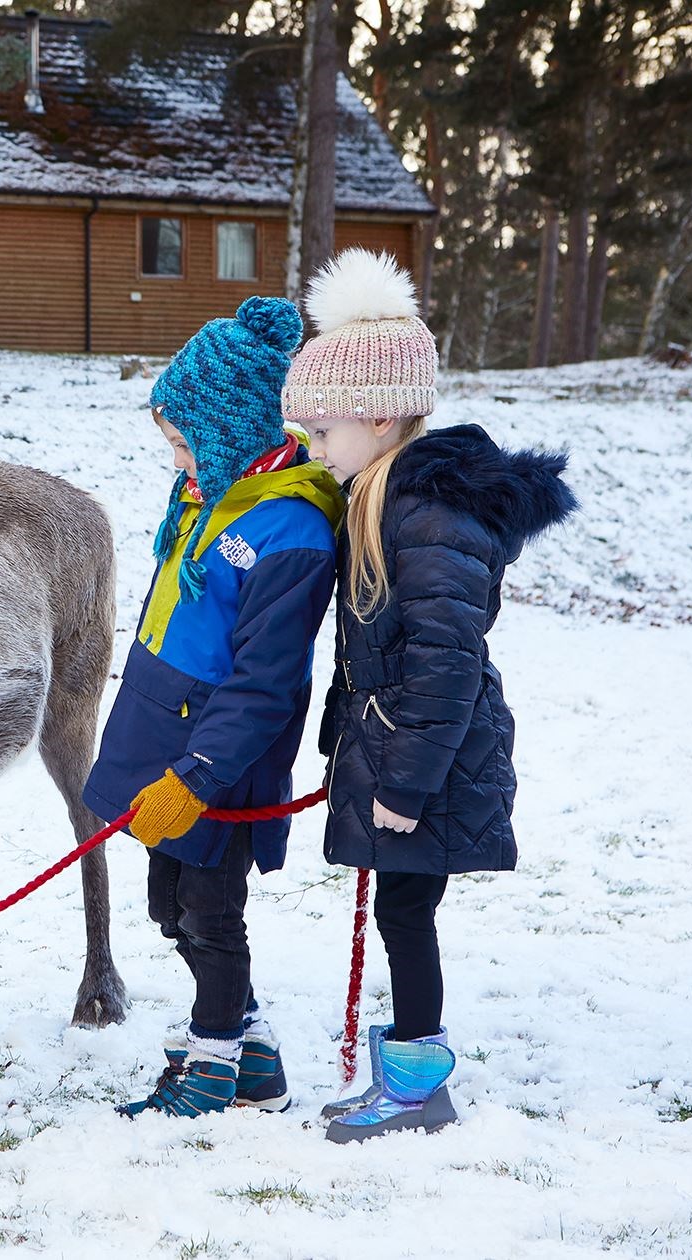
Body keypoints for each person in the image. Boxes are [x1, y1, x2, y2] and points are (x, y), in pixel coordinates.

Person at [284, 248, 577, 1141]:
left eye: (323, 433)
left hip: (433, 763)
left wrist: (404, 786)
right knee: (405, 911)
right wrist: (347, 744)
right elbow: (375, 654)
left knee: (408, 913)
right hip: (400, 750)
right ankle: (407, 1067)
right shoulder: (384, 504)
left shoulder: (425, 517)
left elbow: (444, 666)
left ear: (376, 418)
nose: (314, 450)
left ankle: (417, 1083)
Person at [83, 296, 344, 1119]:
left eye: (184, 437)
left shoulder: (290, 530)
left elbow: (265, 682)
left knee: (211, 913)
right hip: (163, 737)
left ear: (232, 427)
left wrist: (197, 777)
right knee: (172, 907)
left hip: (219, 762)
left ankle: (213, 1064)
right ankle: (255, 1053)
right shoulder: (207, 497)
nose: (176, 455)